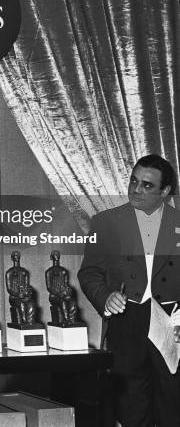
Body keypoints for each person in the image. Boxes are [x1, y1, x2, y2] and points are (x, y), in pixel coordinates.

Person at [78, 154, 180, 427]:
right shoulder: (106, 223)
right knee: (131, 408)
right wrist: (105, 296)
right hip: (126, 322)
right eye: (134, 181)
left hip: (172, 323)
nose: (135, 189)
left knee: (173, 404)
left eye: (147, 185)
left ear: (165, 191)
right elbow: (89, 272)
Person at [46, 250, 78, 326]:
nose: (56, 255)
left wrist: (66, 292)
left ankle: (72, 319)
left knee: (72, 301)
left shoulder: (64, 271)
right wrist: (59, 293)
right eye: (54, 254)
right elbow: (49, 287)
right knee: (62, 301)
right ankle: (66, 319)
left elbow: (66, 285)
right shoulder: (49, 272)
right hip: (54, 296)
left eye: (57, 254)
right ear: (51, 257)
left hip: (63, 294)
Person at [5, 250, 36, 326]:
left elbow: (27, 286)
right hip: (14, 297)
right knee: (21, 303)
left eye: (17, 256)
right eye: (14, 256)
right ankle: (24, 321)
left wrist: (27, 294)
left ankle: (30, 322)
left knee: (31, 303)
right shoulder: (9, 272)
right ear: (12, 258)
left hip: (24, 296)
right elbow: (9, 289)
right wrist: (17, 295)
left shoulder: (24, 272)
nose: (16, 257)